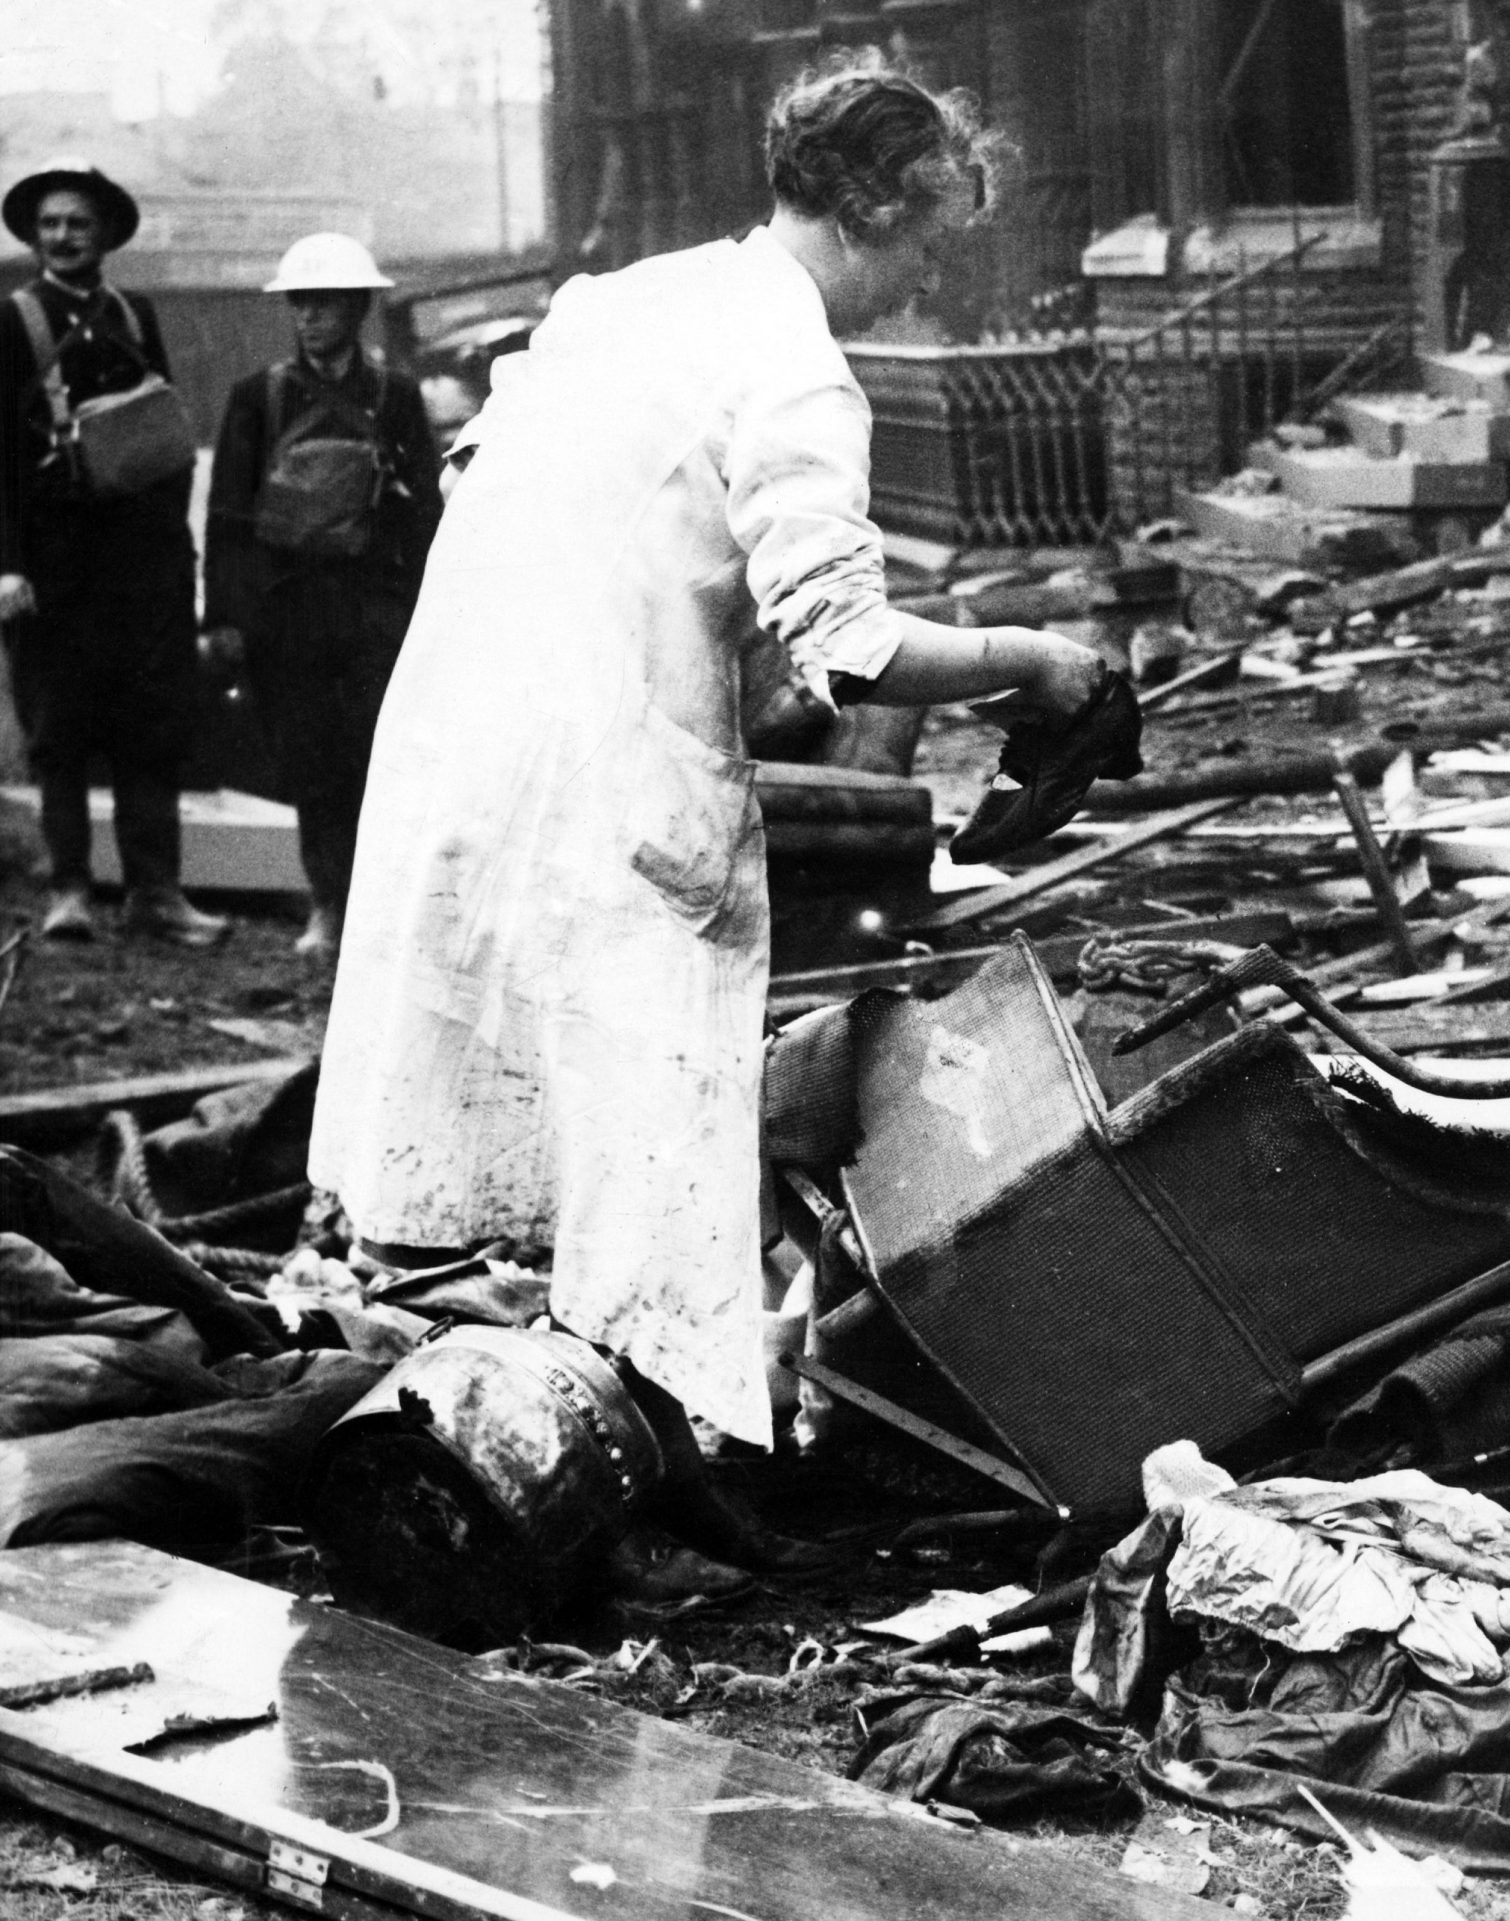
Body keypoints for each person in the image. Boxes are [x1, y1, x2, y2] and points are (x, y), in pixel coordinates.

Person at [310, 58, 1122, 1457]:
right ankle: (656, 1452)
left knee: (562, 1099)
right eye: (930, 242)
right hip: (607, 767)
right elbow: (855, 647)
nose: (927, 286)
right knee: (652, 1124)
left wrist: (692, 624)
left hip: (469, 724)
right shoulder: (800, 371)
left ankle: (562, 1411)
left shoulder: (632, 297)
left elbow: (507, 475)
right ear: (872, 204)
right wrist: (1036, 662)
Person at [0, 158, 225, 945]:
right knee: (59, 727)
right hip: (53, 563)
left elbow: (162, 437)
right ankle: (68, 890)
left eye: (78, 224)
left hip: (142, 561)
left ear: (103, 238)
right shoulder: (13, 320)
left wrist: (175, 550)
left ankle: (156, 892)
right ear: (34, 234)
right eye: (51, 224)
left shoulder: (136, 315)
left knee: (150, 722)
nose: (63, 236)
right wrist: (8, 563)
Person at [202, 234, 441, 962]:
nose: (308, 316)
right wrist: (227, 619)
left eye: (325, 303)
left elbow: (425, 511)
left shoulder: (395, 395)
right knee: (311, 763)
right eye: (299, 303)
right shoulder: (258, 397)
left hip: (371, 610)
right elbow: (228, 519)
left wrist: (420, 613)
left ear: (358, 308)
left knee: (381, 759)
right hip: (289, 611)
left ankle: (380, 912)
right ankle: (326, 906)